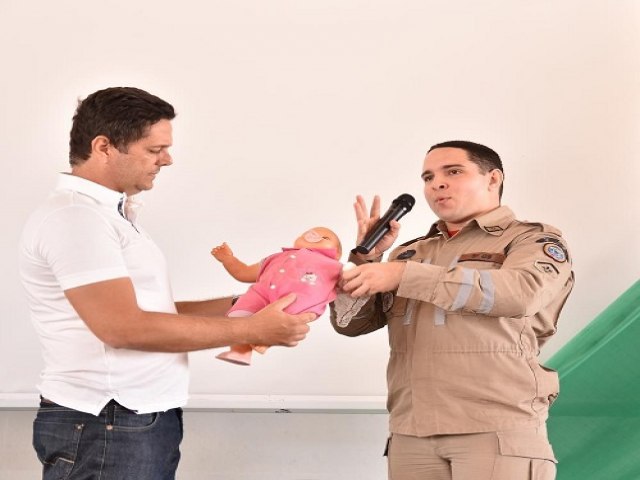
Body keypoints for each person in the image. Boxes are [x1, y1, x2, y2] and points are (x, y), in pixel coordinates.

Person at [19, 87, 316, 480]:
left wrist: (255, 299)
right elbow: (122, 327)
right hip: (108, 422)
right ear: (104, 146)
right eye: (154, 149)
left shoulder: (109, 217)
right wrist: (252, 328)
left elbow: (150, 313)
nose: (168, 159)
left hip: (129, 421)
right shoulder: (77, 219)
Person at [331, 140, 574, 480]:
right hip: (411, 431)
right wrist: (367, 259)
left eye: (453, 172)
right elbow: (349, 324)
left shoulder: (530, 241)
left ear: (493, 179)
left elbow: (520, 294)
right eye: (428, 177)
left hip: (495, 429)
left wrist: (403, 275)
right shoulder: (409, 253)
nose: (436, 184)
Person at [211, 226, 343, 365]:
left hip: (297, 300)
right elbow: (244, 273)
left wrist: (362, 263)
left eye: (325, 238)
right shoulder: (274, 258)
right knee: (238, 316)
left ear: (337, 253)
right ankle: (240, 352)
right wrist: (228, 259)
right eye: (308, 234)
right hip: (260, 294)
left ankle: (264, 342)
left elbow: (353, 280)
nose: (315, 237)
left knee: (278, 323)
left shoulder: (334, 266)